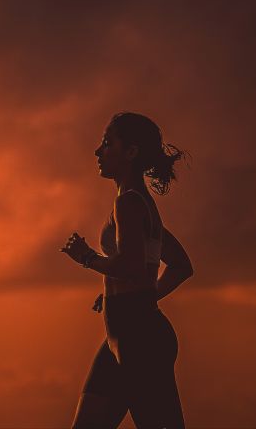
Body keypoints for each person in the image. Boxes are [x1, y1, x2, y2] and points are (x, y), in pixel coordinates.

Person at [59, 112, 194, 428]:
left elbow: (131, 267)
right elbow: (179, 265)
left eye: (107, 143)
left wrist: (87, 257)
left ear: (131, 152)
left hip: (140, 339)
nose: (98, 151)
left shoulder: (129, 204)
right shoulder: (140, 205)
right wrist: (135, 295)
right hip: (119, 338)